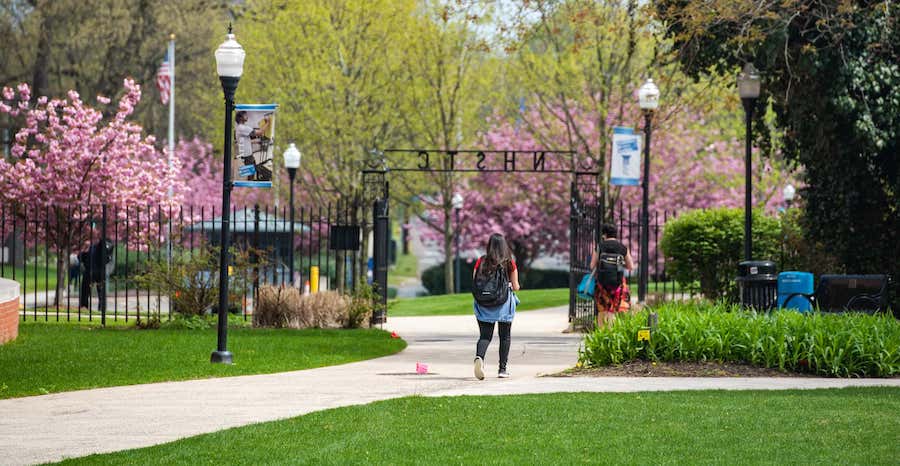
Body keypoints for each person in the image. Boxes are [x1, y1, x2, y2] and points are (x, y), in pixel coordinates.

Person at [472, 233, 520, 380]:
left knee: (485, 336)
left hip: (483, 304)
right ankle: (502, 369)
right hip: (503, 304)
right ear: (504, 245)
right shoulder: (509, 262)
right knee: (504, 336)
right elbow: (516, 286)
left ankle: (479, 357)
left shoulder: (481, 261)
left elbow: (475, 281)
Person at [590, 223, 634, 328]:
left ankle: (601, 334)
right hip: (618, 284)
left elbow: (592, 265)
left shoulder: (600, 246)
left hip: (602, 283)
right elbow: (631, 266)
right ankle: (611, 333)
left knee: (602, 309)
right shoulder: (623, 248)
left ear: (604, 235)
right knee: (613, 310)